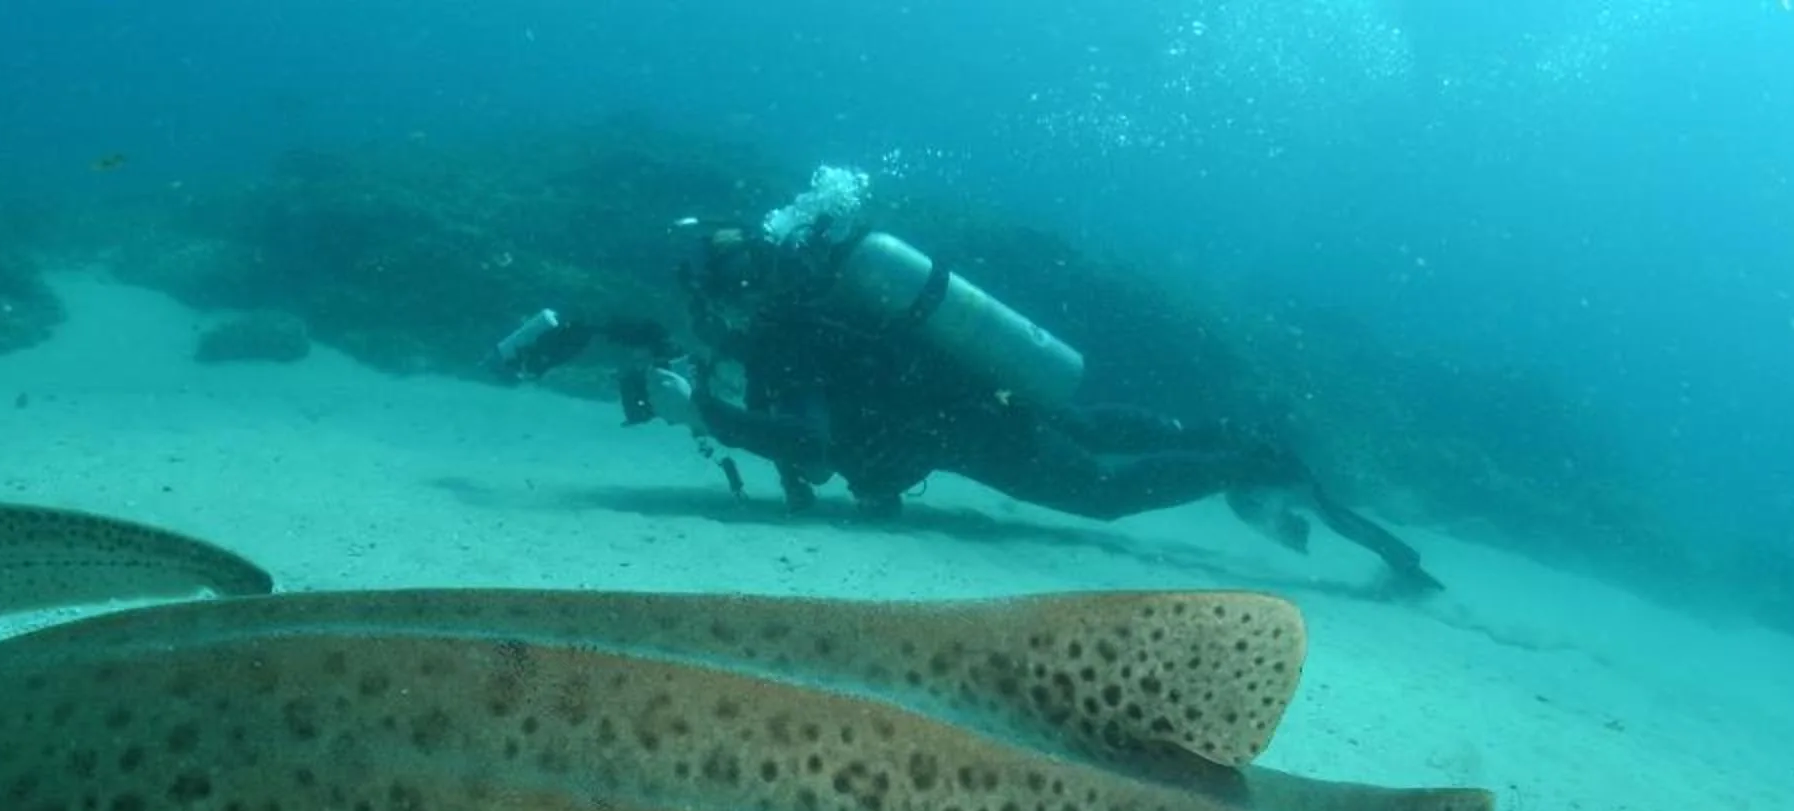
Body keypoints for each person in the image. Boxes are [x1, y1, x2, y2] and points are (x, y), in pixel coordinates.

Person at [490, 173, 1439, 594]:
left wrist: (710, 415)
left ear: (739, 289)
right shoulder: (808, 305)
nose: (713, 321)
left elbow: (813, 444)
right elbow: (682, 348)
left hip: (952, 421)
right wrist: (591, 339)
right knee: (1086, 421)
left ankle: (1256, 461)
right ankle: (1245, 444)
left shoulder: (789, 335)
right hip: (960, 388)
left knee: (1098, 491)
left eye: (715, 300)